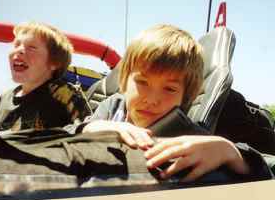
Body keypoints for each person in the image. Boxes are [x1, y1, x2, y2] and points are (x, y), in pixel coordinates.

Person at [81, 24, 272, 182]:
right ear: (124, 81)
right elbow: (68, 132)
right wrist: (91, 127)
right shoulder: (113, 108)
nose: (152, 99)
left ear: (186, 97)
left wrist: (231, 152)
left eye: (170, 89)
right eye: (142, 82)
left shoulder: (187, 135)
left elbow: (265, 172)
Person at [0, 22, 91, 134]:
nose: (19, 50)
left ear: (54, 63)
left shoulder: (66, 95)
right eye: (16, 45)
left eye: (31, 47)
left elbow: (87, 135)